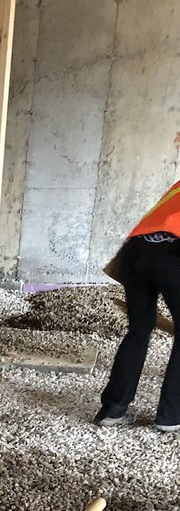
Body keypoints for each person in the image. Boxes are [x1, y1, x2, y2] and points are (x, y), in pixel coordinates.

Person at [96, 179, 180, 433]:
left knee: (139, 330)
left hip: (136, 251)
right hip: (173, 253)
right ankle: (170, 416)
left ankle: (112, 410)